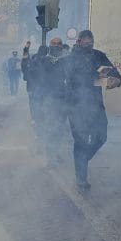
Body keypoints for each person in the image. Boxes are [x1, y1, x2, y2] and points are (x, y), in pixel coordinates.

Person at [65, 29, 121, 192]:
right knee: (80, 142)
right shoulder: (70, 59)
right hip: (76, 107)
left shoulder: (99, 55)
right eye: (86, 43)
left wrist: (116, 80)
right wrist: (93, 76)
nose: (89, 45)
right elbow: (70, 79)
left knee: (101, 136)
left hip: (96, 105)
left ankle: (83, 160)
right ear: (78, 42)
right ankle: (81, 177)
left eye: (91, 43)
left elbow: (114, 72)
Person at [38, 38, 69, 167]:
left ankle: (54, 152)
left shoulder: (66, 61)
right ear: (50, 46)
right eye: (54, 44)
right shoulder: (43, 61)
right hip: (49, 99)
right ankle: (49, 157)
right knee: (51, 127)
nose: (56, 46)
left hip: (63, 99)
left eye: (59, 44)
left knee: (60, 129)